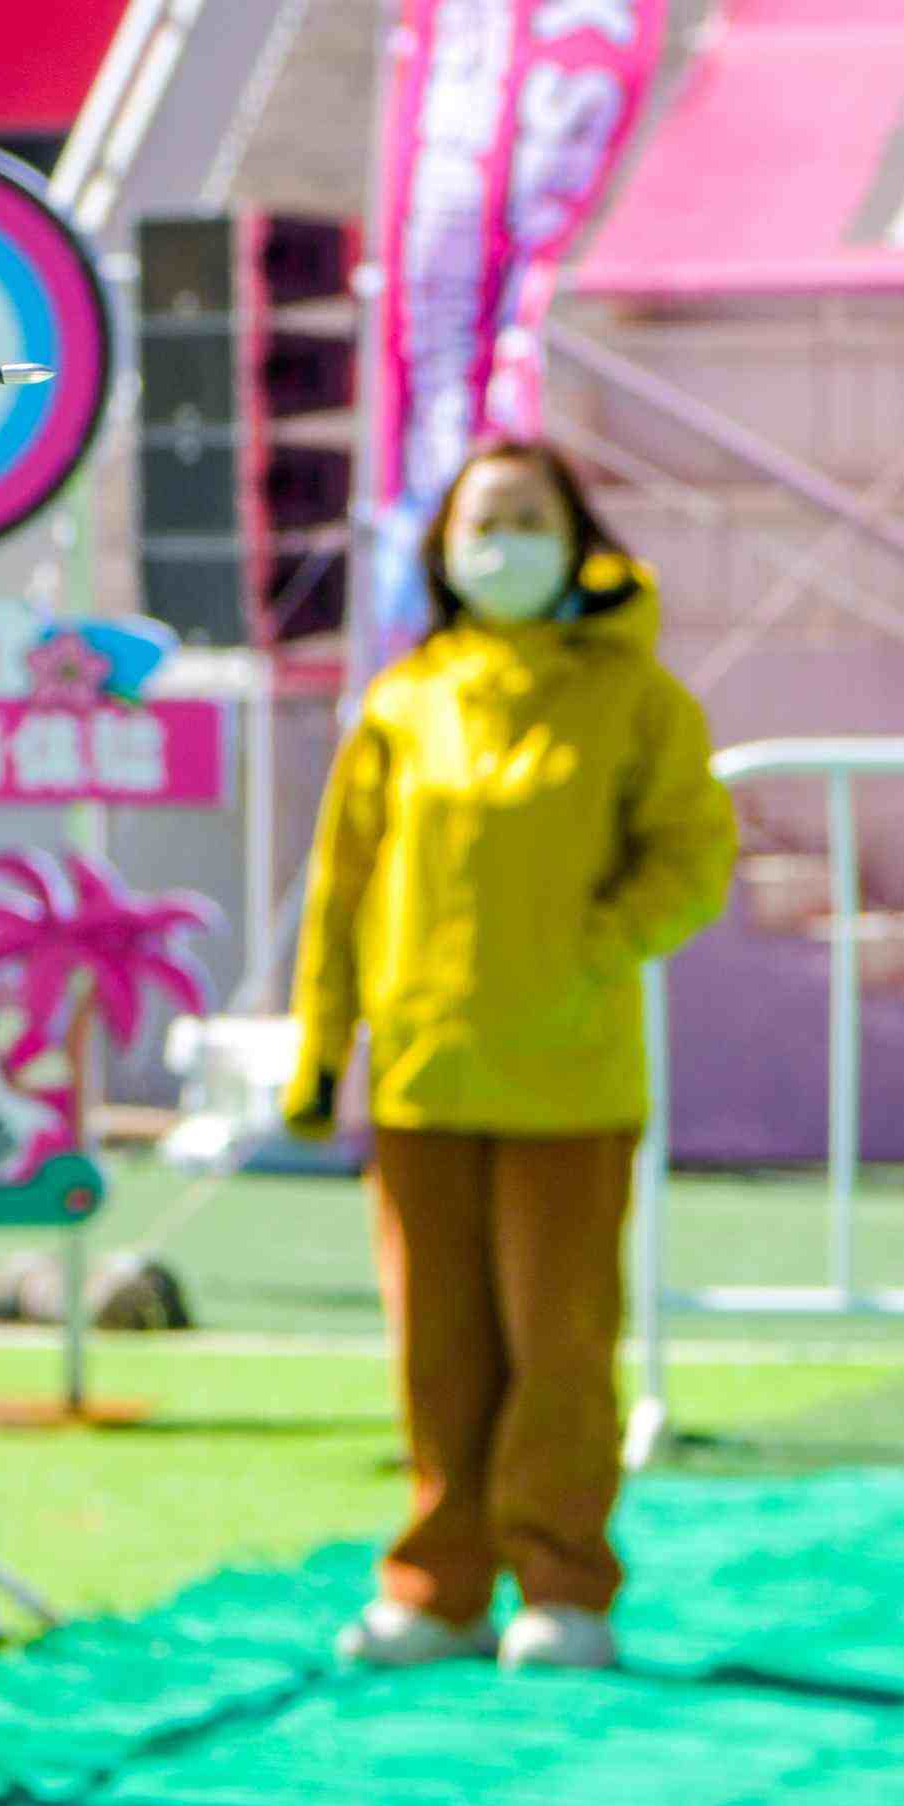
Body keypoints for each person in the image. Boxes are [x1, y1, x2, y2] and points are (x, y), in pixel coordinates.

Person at [286, 435, 732, 1670]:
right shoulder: (403, 701)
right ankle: (439, 1588)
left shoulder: (635, 698)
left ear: (579, 541)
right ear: (442, 548)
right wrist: (320, 1044)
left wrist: (598, 942)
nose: (506, 543)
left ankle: (563, 1585)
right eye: (484, 521)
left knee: (561, 1349)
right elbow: (342, 885)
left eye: (532, 518)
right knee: (438, 1354)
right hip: (424, 1072)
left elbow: (694, 852)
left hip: (570, 1075)